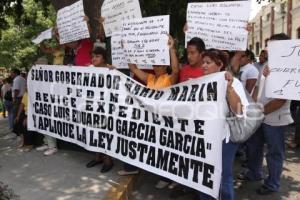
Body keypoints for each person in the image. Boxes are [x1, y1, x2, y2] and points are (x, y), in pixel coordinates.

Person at [238, 33, 294, 195]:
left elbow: (281, 100)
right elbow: (257, 88)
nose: (268, 49)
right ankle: (254, 173)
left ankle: (272, 184)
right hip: (259, 116)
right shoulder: (267, 64)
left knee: (274, 152)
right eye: (269, 45)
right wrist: (254, 106)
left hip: (274, 119)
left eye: (272, 45)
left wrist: (259, 112)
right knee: (254, 147)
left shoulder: (289, 68)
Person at [117, 35, 179, 180]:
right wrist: (127, 49)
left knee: (163, 149)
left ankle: (165, 178)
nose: (156, 67)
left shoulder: (169, 78)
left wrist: (171, 48)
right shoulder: (149, 78)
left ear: (165, 66)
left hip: (163, 120)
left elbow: (176, 71)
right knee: (133, 138)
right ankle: (131, 168)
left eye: (160, 65)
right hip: (147, 119)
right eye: (154, 64)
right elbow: (133, 67)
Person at [196, 49, 248, 200]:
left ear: (220, 65)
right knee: (203, 175)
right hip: (203, 139)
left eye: (208, 62)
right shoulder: (200, 82)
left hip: (223, 141)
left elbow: (239, 111)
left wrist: (229, 89)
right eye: (203, 63)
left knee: (223, 176)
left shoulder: (232, 82)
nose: (204, 66)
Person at [85, 46, 114, 173]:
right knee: (94, 132)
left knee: (105, 133)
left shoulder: (110, 69)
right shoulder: (89, 69)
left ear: (104, 58)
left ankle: (108, 160)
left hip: (106, 107)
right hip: (92, 106)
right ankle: (97, 157)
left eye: (97, 56)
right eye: (93, 56)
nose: (94, 59)